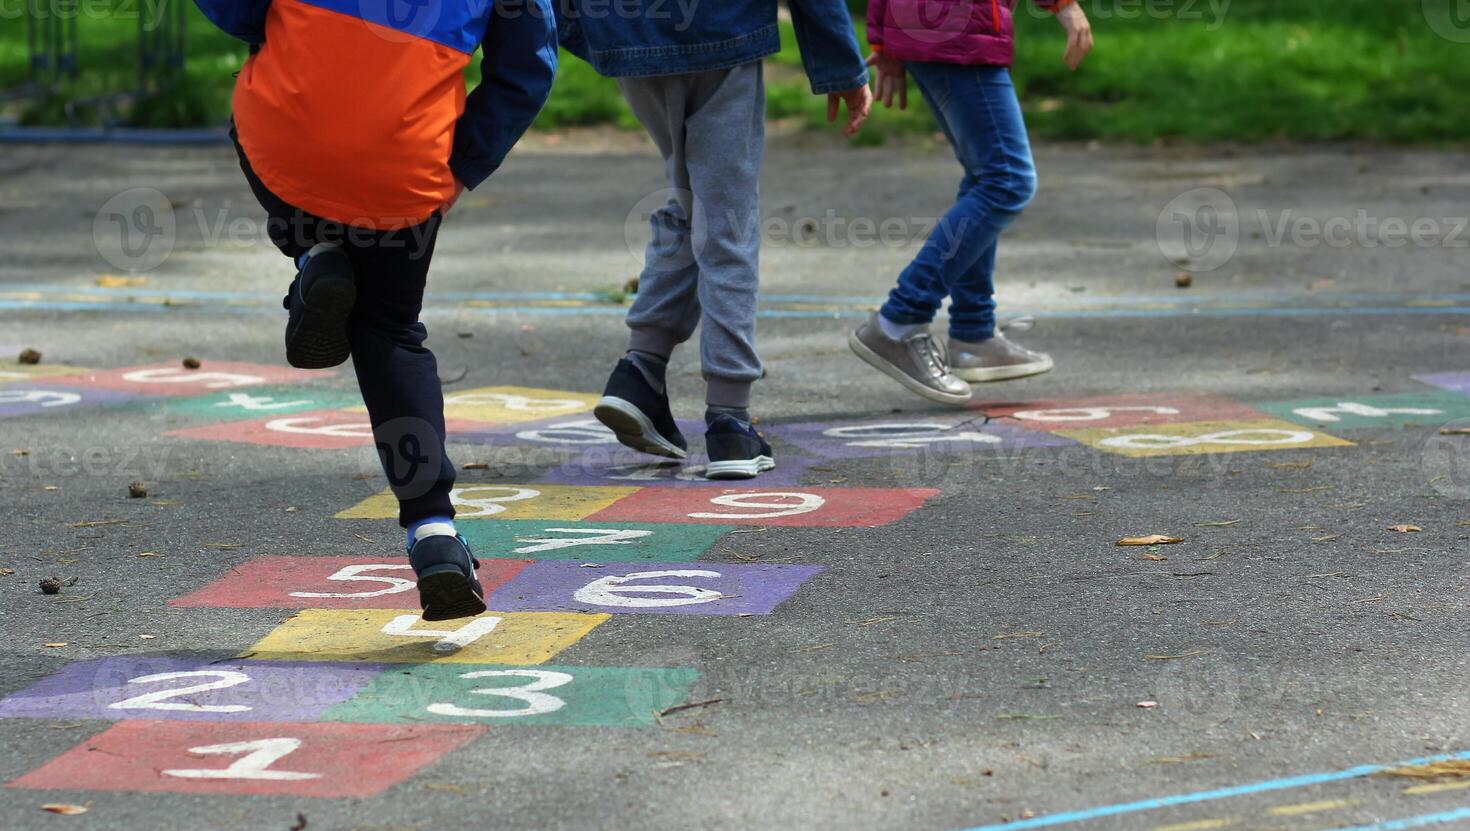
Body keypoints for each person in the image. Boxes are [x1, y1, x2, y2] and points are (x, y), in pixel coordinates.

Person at [192, 0, 558, 619]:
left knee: (263, 121)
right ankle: (433, 531)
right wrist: (462, 168)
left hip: (288, 143)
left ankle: (312, 254)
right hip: (404, 170)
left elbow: (234, 12)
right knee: (388, 330)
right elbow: (527, 68)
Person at [557, 0, 874, 478]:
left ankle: (640, 370)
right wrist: (840, 66)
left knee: (692, 202)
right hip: (722, 30)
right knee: (728, 222)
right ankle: (729, 420)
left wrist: (604, 37)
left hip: (630, 34)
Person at [851, 0, 1093, 405]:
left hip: (928, 27)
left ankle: (973, 333)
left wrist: (885, 34)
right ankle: (899, 320)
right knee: (1008, 180)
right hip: (958, 29)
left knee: (987, 176)